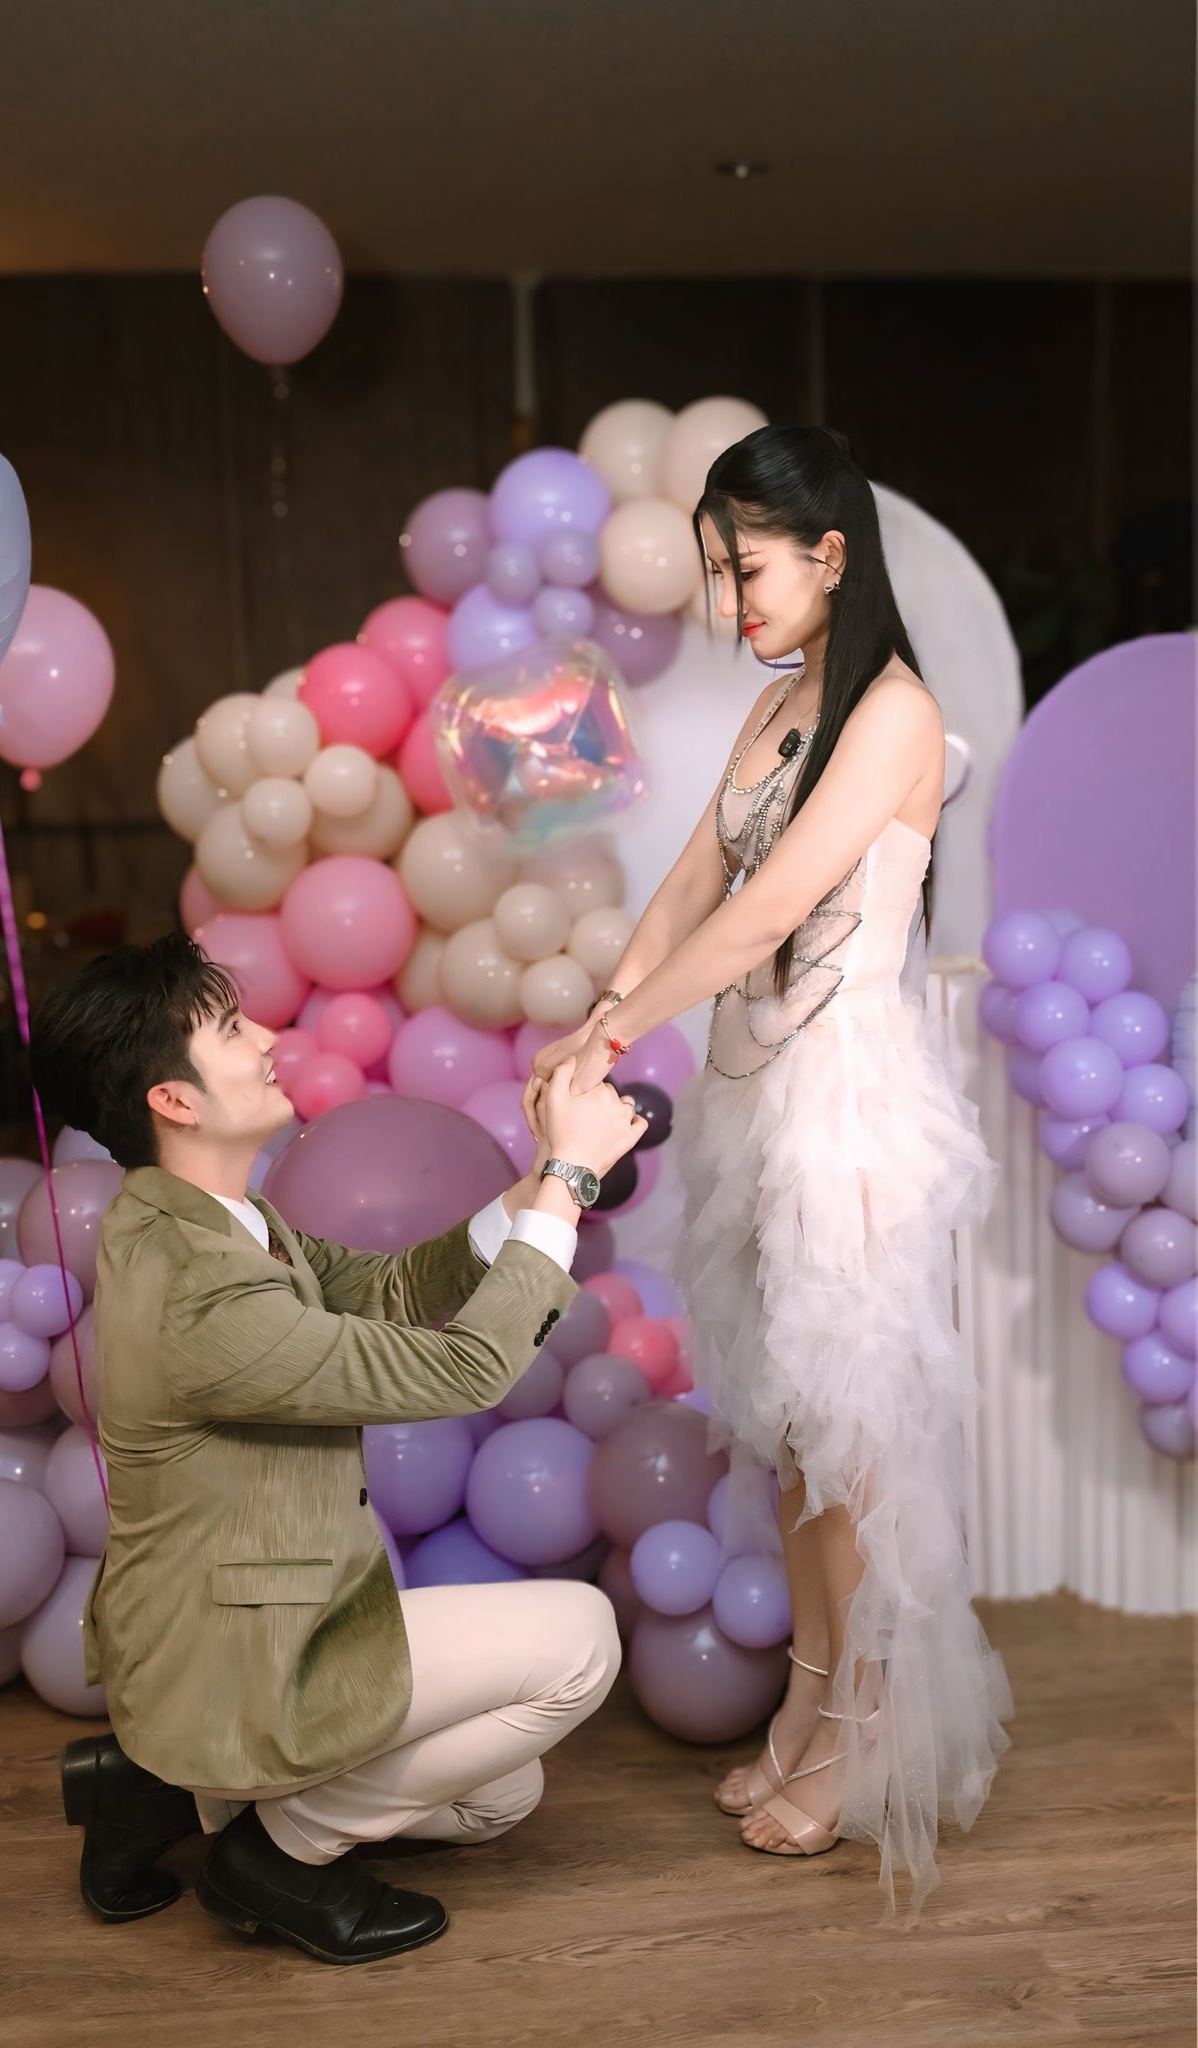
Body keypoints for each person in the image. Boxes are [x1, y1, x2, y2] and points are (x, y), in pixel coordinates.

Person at [522, 425, 1013, 1922]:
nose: (731, 602)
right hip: (754, 1093)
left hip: (844, 1103)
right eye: (718, 574)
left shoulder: (894, 712)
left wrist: (613, 1033)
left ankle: (869, 1730)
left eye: (747, 570)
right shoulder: (781, 703)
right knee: (794, 1429)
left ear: (829, 555)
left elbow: (770, 909)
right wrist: (601, 1013)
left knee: (849, 1430)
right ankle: (808, 1696)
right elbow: (691, 883)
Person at [31, 932, 646, 1964]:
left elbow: (392, 1289)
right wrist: (573, 1178)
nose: (271, 1036)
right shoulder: (199, 1289)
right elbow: (465, 1372)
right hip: (242, 1649)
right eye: (233, 1029)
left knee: (501, 1795)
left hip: (257, 1610)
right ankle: (274, 1853)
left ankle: (165, 1792)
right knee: (585, 1637)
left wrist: (541, 1171)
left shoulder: (206, 1217)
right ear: (173, 1100)